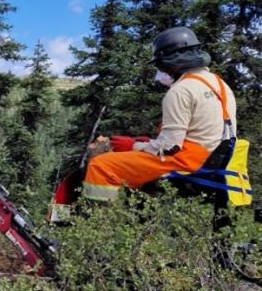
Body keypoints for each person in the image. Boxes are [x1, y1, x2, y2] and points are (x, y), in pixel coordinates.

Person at [82, 26, 237, 201]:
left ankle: (97, 218)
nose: (162, 70)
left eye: (161, 65)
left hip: (188, 161)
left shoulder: (181, 90)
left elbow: (169, 147)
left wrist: (133, 146)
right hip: (212, 159)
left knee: (101, 165)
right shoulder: (219, 83)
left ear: (171, 62)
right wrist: (147, 143)